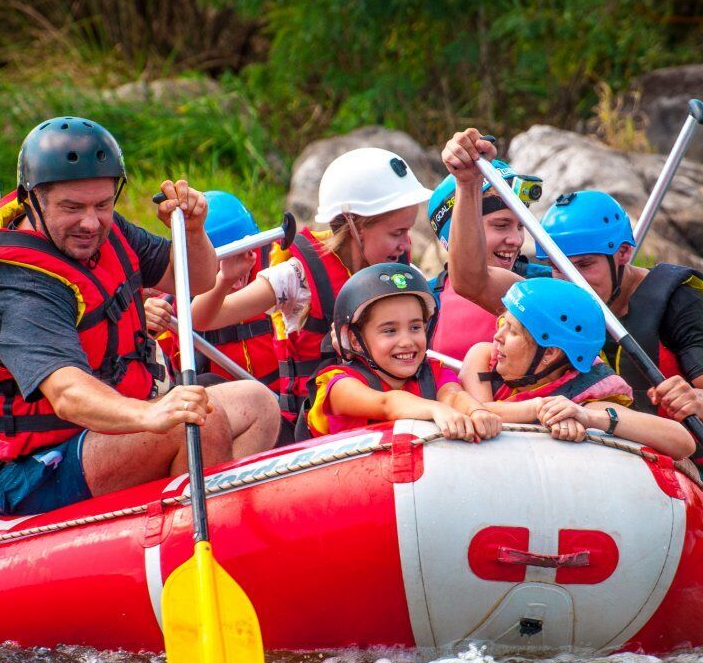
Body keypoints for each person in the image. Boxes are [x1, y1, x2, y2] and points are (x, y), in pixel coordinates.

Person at [0, 117, 280, 516]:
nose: (90, 222)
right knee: (195, 424)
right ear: (31, 199)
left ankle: (223, 522)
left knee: (258, 403)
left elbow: (197, 277)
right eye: (72, 207)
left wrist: (193, 232)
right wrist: (150, 413)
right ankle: (191, 539)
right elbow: (67, 392)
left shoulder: (105, 230)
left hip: (104, 437)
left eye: (102, 205)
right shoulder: (17, 284)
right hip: (30, 470)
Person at [443, 129, 703, 516]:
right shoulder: (556, 296)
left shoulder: (678, 300)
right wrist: (468, 183)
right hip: (597, 461)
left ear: (624, 253)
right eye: (559, 267)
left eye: (585, 266)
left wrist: (699, 399)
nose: (573, 280)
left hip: (694, 471)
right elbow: (470, 279)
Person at [193, 147, 433, 434]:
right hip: (310, 431)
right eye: (396, 233)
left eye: (408, 231)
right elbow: (201, 319)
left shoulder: (407, 278)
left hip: (393, 417)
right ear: (354, 225)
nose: (407, 245)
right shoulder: (296, 277)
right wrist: (224, 280)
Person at [461, 278, 694, 458]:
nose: (497, 336)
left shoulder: (583, 397)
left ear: (550, 353)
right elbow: (477, 411)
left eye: (512, 331)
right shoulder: (483, 356)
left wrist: (588, 418)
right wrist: (539, 408)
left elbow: (683, 442)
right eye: (503, 323)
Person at [298, 262, 499, 442]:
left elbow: (454, 395)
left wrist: (476, 410)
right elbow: (386, 403)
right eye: (389, 331)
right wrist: (435, 408)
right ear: (355, 341)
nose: (406, 341)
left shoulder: (433, 373)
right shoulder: (339, 385)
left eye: (415, 328)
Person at [144, 190, 279, 389]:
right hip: (219, 406)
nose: (234, 270)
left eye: (243, 255)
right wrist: (141, 321)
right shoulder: (173, 302)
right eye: (220, 261)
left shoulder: (278, 270)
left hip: (285, 406)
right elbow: (129, 354)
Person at [426, 158, 549, 361]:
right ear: (454, 235)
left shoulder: (544, 282)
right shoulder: (426, 300)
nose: (516, 240)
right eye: (501, 225)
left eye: (521, 226)